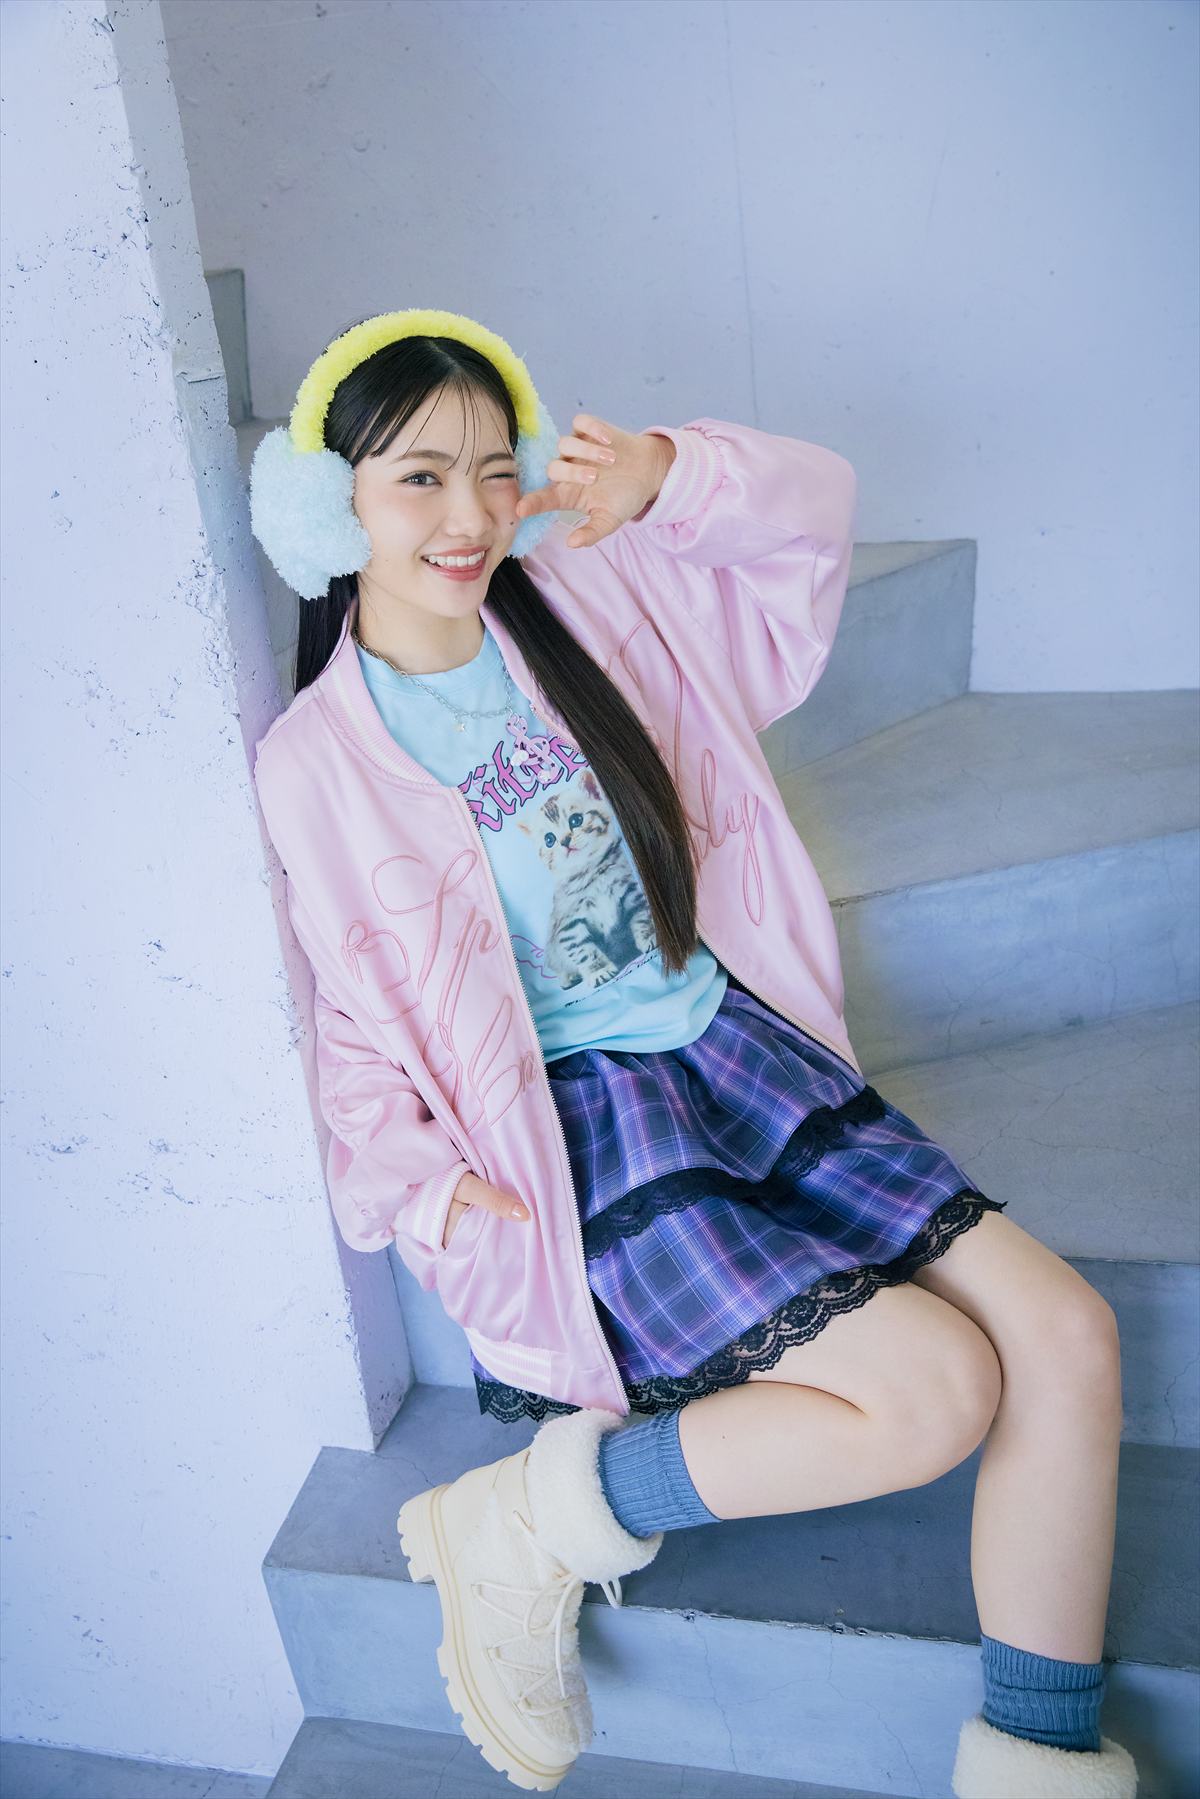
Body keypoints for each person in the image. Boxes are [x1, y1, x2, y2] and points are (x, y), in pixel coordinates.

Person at [248, 308, 1136, 1797]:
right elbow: (352, 1009)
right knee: (932, 1396)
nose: (469, 516)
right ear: (327, 504)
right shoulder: (320, 757)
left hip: (736, 1052)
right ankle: (529, 1517)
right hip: (588, 1125)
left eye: (494, 469)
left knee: (1069, 1336)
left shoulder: (586, 596)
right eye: (418, 478)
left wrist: (671, 475)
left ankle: (1042, 1761)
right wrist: (418, 1186)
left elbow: (810, 525)